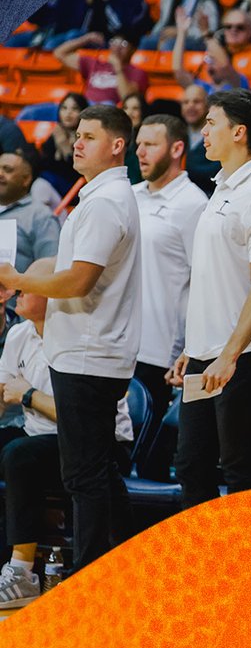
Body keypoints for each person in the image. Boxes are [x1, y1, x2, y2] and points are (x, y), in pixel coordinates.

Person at [0, 104, 141, 571]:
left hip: (88, 352)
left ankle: (90, 580)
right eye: (77, 135)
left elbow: (79, 280)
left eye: (89, 136)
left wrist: (18, 278)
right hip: (91, 350)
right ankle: (118, 572)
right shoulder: (103, 196)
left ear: (117, 145)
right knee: (97, 473)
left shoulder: (104, 202)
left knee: (84, 476)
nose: (77, 143)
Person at [168, 90, 251, 509]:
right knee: (191, 466)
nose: (203, 131)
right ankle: (207, 550)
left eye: (210, 123)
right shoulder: (222, 188)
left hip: (245, 357)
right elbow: (214, 280)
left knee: (241, 471)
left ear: (239, 132)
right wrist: (195, 347)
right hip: (208, 355)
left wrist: (229, 355)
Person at [0, 260, 134, 604]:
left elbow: (79, 418)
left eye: (28, 284)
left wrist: (28, 395)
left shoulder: (79, 340)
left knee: (19, 455)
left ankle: (22, 572)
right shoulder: (19, 334)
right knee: (17, 449)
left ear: (52, 294)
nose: (18, 289)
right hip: (41, 438)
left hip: (101, 446)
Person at [133, 114, 207, 479]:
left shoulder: (193, 203)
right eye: (138, 144)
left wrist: (190, 347)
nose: (140, 152)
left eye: (150, 144)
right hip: (119, 345)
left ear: (177, 148)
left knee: (150, 467)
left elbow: (206, 280)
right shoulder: (130, 195)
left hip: (161, 352)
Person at [0, 148, 61, 272]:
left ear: (26, 179)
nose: (0, 173)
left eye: (7, 170)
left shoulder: (40, 215)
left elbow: (50, 270)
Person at [54, 27, 150, 105]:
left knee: (107, 104)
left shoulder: (137, 73)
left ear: (133, 49)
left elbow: (127, 98)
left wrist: (118, 68)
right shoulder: (95, 64)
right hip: (86, 107)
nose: (117, 47)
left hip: (110, 111)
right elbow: (59, 53)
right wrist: (86, 39)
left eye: (123, 44)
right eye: (114, 42)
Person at [37, 92, 87, 196]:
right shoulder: (56, 133)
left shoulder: (86, 137)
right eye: (64, 108)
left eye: (74, 108)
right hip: (52, 185)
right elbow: (45, 163)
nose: (68, 113)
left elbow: (77, 170)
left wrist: (65, 147)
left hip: (76, 188)